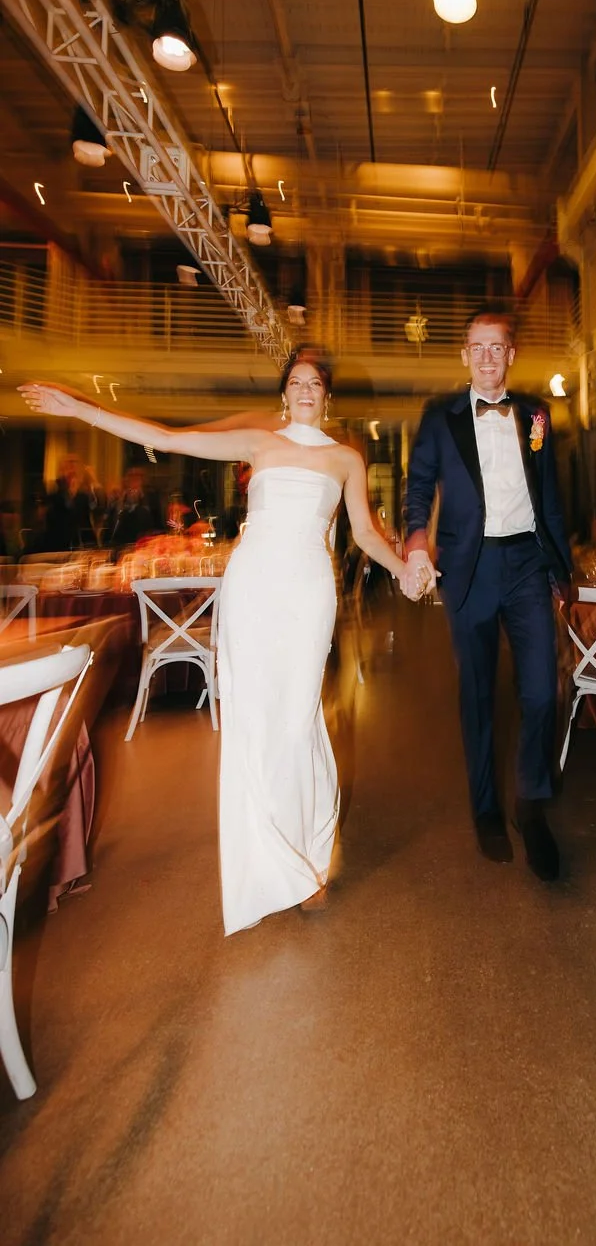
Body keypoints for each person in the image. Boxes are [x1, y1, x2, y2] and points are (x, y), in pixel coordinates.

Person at [20, 350, 419, 933]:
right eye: (296, 382)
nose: (305, 390)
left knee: (296, 719)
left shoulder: (345, 459)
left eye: (315, 384)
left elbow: (362, 531)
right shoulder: (259, 442)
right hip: (252, 590)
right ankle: (278, 865)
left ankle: (306, 850)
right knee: (255, 720)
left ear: (326, 398)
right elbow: (167, 437)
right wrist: (81, 410)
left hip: (307, 594)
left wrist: (404, 567)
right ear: (284, 395)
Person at [403, 306, 573, 882]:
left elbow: (548, 494)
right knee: (477, 697)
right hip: (469, 568)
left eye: (496, 347)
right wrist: (416, 544)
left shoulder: (538, 417)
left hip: (527, 562)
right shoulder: (439, 417)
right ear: (464, 355)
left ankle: (531, 802)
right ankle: (486, 812)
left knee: (543, 693)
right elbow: (419, 487)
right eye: (476, 346)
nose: (486, 357)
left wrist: (561, 569)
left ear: (511, 354)